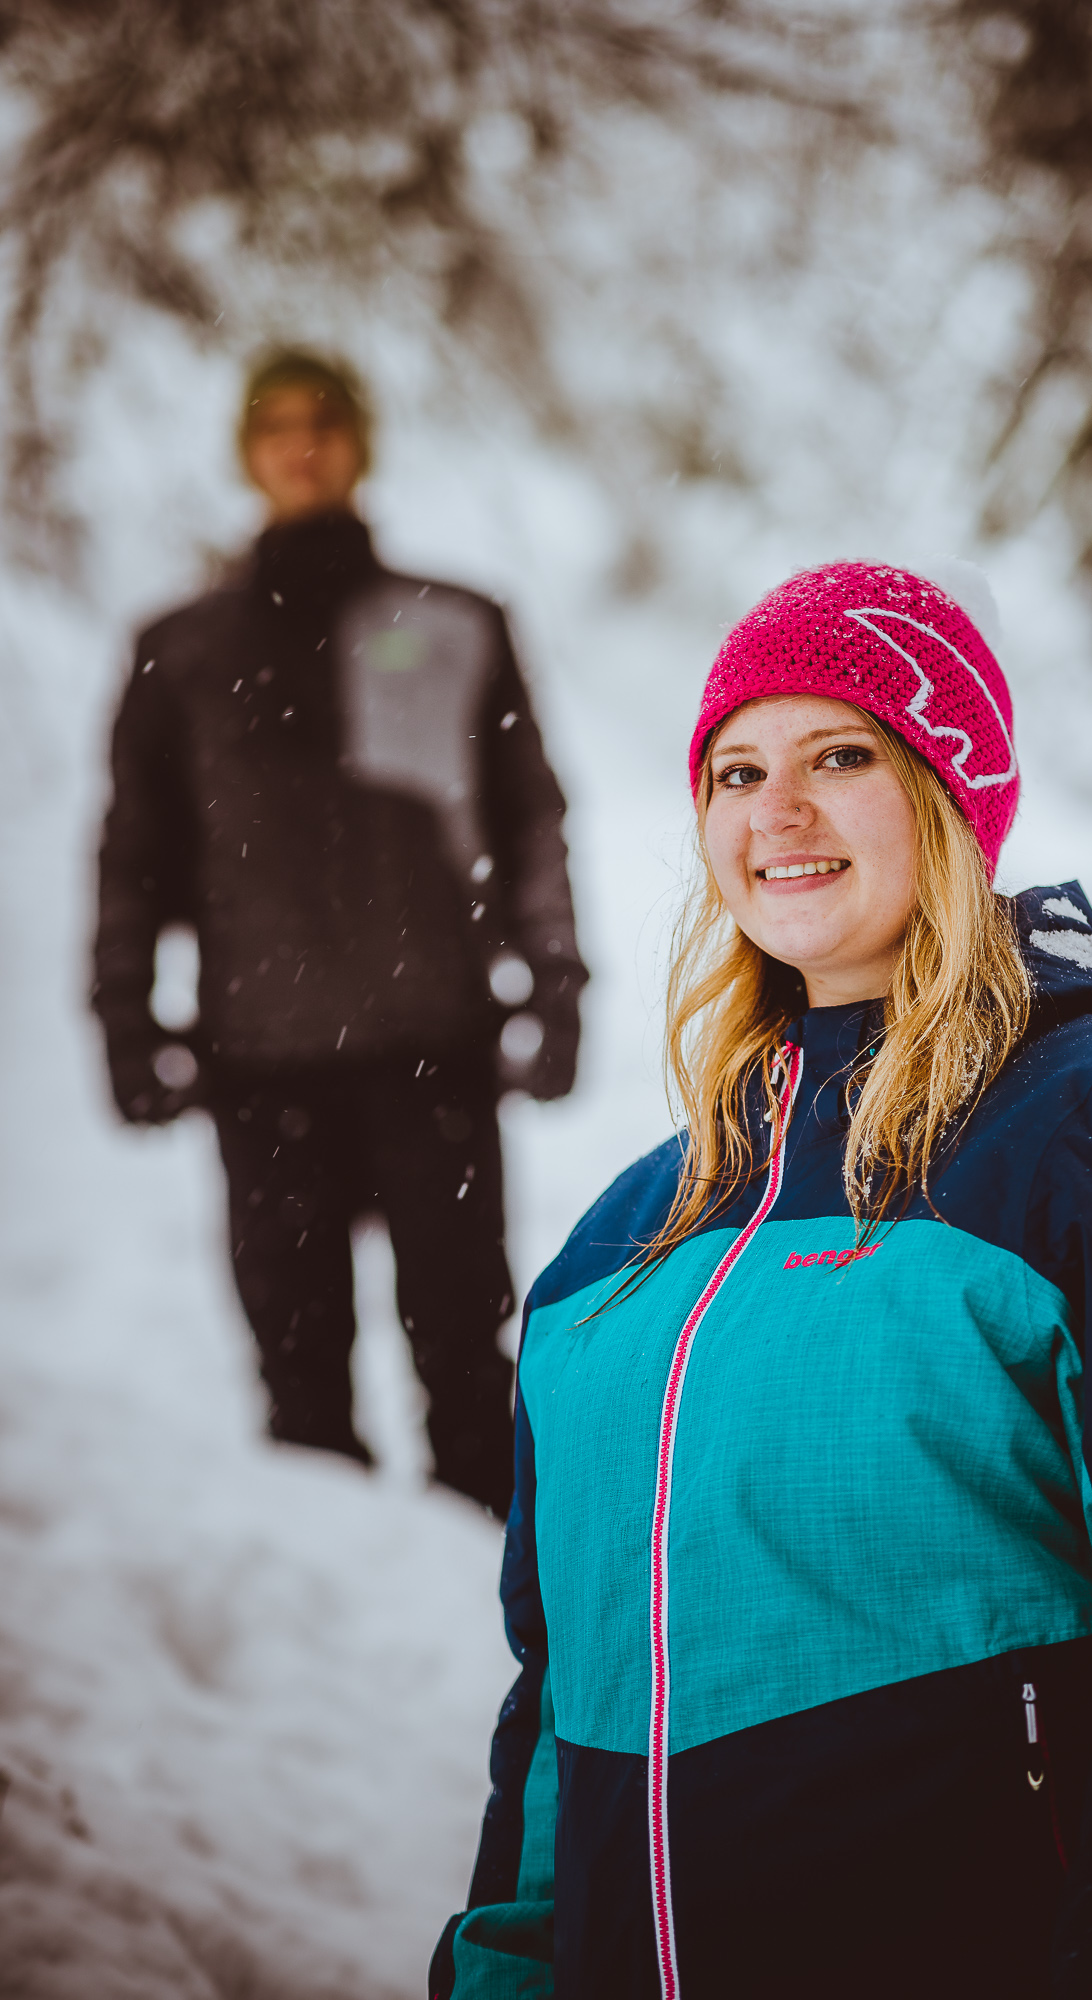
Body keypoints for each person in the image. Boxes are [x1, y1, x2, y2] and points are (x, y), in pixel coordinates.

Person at [432, 561, 1092, 1997]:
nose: (772, 811)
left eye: (837, 754)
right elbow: (552, 1718)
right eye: (735, 770)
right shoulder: (612, 1253)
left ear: (948, 791)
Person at [92, 350, 586, 1514]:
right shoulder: (183, 650)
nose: (300, 443)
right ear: (246, 451)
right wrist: (119, 1012)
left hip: (436, 1052)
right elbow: (133, 853)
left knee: (473, 1383)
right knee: (301, 1406)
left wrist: (556, 981)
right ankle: (327, 1675)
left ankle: (511, 1652)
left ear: (361, 442)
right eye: (274, 425)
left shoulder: (456, 621)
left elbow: (531, 820)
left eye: (323, 421)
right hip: (263, 1065)